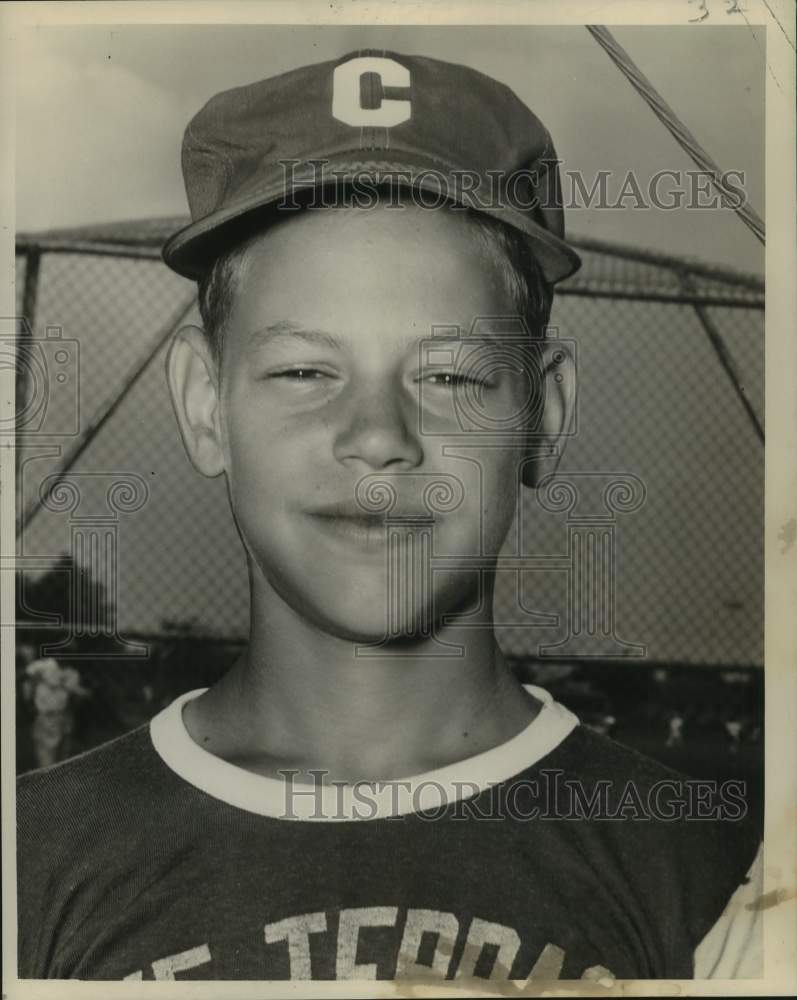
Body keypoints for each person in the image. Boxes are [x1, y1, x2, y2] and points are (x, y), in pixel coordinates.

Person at [17, 49, 762, 982]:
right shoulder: (33, 863)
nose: (376, 436)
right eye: (303, 372)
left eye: (448, 376)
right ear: (206, 405)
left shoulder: (705, 889)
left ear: (544, 415)